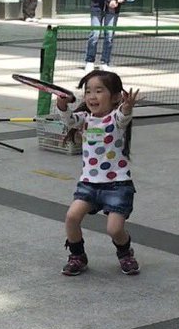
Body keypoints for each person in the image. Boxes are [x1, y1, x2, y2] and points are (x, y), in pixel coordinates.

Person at [54, 70, 142, 277]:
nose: (92, 96)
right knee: (72, 217)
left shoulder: (115, 120)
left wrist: (127, 107)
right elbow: (68, 120)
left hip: (117, 185)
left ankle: (125, 253)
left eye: (99, 91)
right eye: (88, 91)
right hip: (89, 183)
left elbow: (123, 116)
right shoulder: (84, 119)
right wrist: (62, 105)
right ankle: (77, 256)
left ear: (115, 97)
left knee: (114, 229)